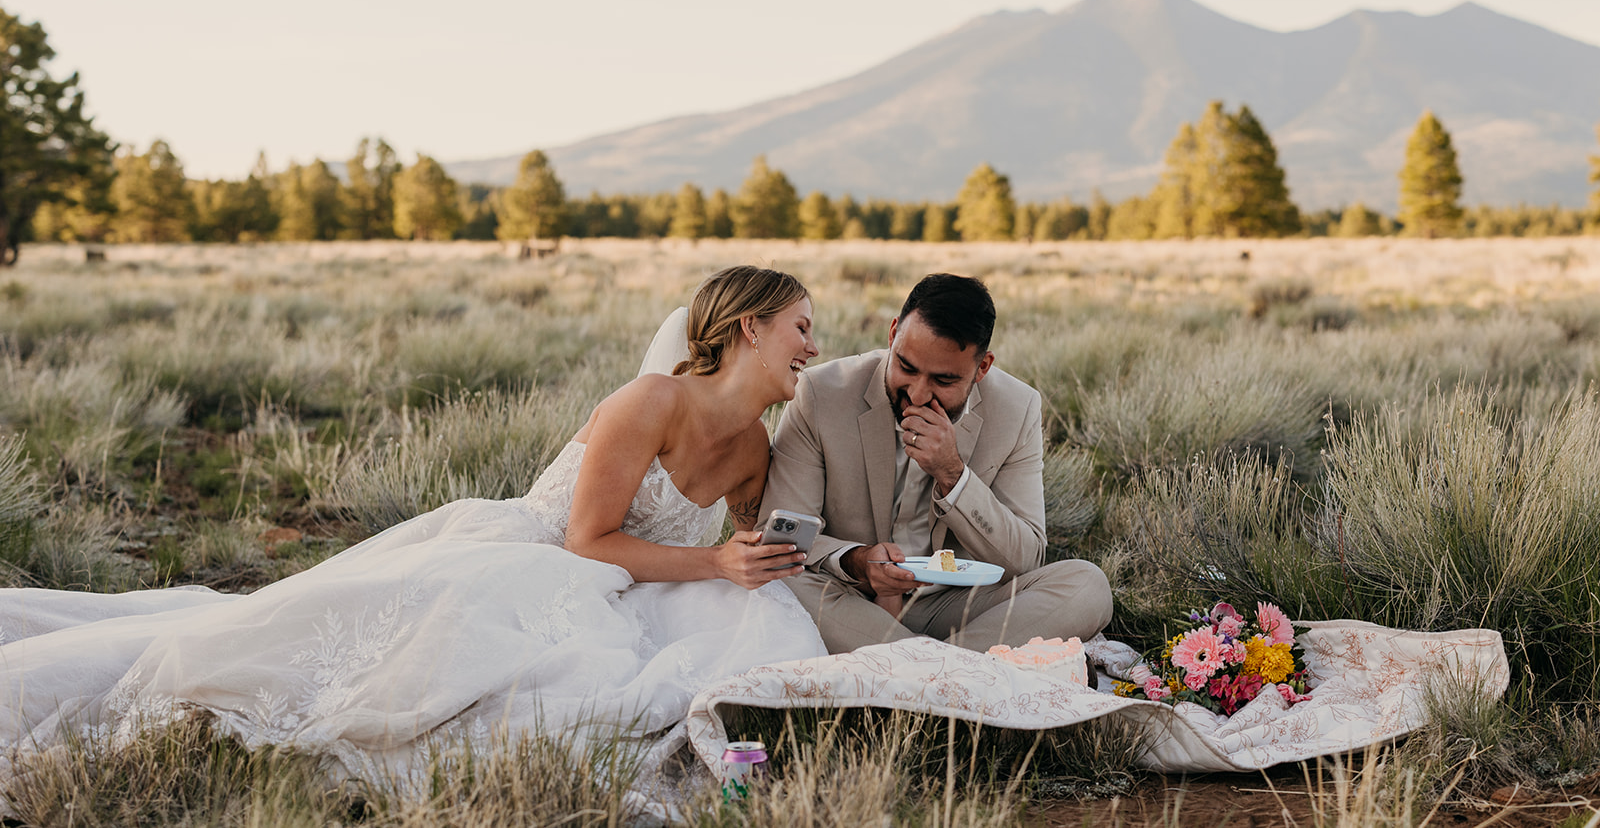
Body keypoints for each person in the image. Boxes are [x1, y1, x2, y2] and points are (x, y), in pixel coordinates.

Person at [0, 265, 827, 796]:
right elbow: (585, 540)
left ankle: (747, 754)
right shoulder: (651, 402)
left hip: (633, 584)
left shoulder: (756, 446)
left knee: (733, 632)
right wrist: (713, 557)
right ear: (748, 326)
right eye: (801, 326)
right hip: (539, 555)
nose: (813, 346)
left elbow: (745, 550)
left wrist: (757, 558)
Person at [762, 273, 1112, 654]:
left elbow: (1025, 558)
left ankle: (913, 667)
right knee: (779, 582)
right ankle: (960, 668)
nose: (917, 393)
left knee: (1087, 586)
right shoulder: (821, 393)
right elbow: (782, 533)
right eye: (907, 367)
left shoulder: (1017, 408)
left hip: (958, 607)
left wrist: (953, 474)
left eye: (943, 380)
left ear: (982, 368)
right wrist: (858, 561)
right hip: (850, 600)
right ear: (893, 333)